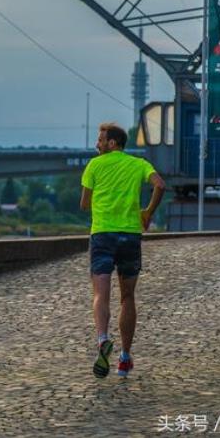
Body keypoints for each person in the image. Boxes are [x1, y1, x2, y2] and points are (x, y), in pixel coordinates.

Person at [80, 122, 165, 378]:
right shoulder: (138, 164)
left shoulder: (94, 166)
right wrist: (147, 212)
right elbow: (159, 184)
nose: (97, 144)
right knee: (127, 297)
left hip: (103, 234)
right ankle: (125, 357)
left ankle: (103, 339)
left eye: (100, 140)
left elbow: (84, 204)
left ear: (112, 143)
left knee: (100, 294)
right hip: (130, 235)